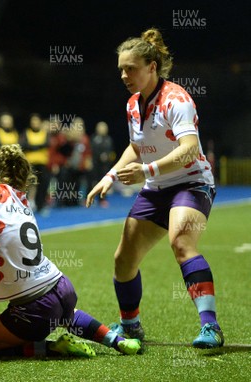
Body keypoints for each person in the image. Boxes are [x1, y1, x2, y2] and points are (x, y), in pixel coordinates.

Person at [0, 144, 142, 358]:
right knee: (65, 316)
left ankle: (53, 348)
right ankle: (118, 341)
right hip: (62, 287)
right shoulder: (23, 202)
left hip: (35, 307)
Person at [86, 28, 223, 349]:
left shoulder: (177, 99)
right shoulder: (133, 104)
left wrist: (147, 170)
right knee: (123, 259)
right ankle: (131, 326)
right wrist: (110, 176)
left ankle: (211, 327)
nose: (123, 75)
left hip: (192, 183)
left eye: (130, 68)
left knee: (181, 242)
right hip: (157, 187)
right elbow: (136, 147)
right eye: (121, 68)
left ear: (152, 66)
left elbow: (189, 148)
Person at [20, 113, 51, 213]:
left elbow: (47, 144)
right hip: (30, 164)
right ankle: (27, 205)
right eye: (33, 121)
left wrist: (33, 146)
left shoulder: (45, 133)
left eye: (37, 121)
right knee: (29, 185)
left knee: (42, 185)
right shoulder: (26, 133)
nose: (35, 123)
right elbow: (24, 145)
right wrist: (37, 146)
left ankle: (40, 205)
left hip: (42, 163)